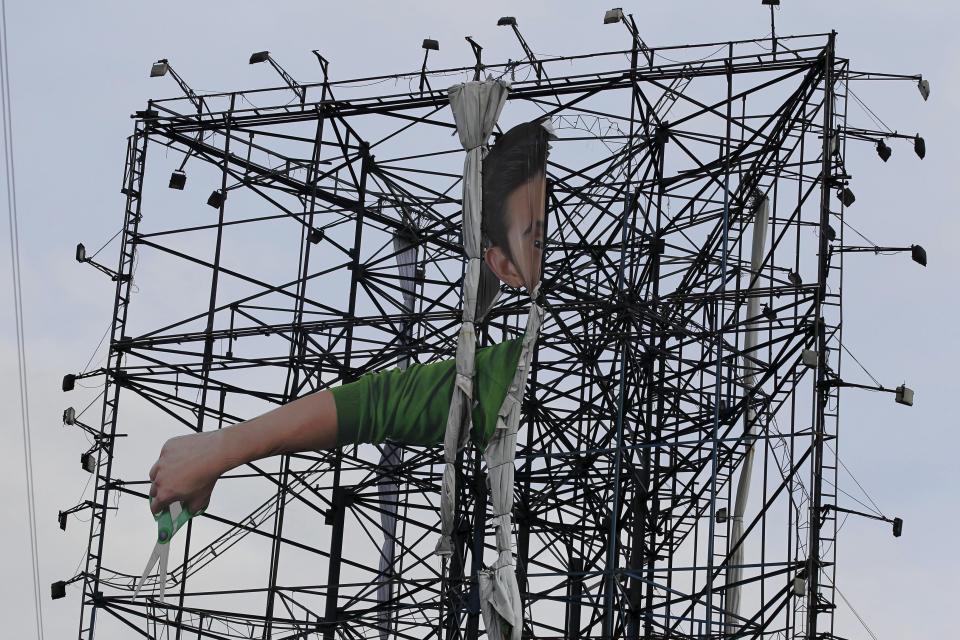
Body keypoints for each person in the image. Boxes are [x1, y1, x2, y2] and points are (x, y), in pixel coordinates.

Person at [147, 119, 551, 518]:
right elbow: (376, 402)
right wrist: (220, 448)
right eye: (538, 238)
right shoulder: (511, 372)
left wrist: (220, 448)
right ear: (505, 266)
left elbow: (381, 403)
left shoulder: (532, 366)